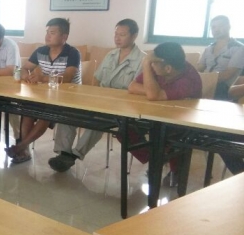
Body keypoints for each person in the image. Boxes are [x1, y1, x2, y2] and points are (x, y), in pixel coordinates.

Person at [49, 19, 145, 172]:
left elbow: (136, 91)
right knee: (68, 111)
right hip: (100, 100)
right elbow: (98, 80)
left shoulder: (142, 60)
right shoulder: (111, 55)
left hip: (121, 106)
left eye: (122, 35)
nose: (117, 38)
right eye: (116, 34)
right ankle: (64, 152)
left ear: (134, 36)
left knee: (99, 120)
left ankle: (74, 155)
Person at [127, 42, 202, 186]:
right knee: (124, 127)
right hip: (156, 114)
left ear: (168, 69)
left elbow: (153, 95)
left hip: (182, 121)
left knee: (167, 133)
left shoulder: (188, 79)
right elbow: (132, 86)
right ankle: (156, 158)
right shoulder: (160, 66)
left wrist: (146, 66)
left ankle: (175, 169)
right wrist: (152, 90)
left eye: (153, 64)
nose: (151, 66)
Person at [7, 18, 82, 164]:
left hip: (69, 98)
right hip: (47, 95)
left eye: (52, 33)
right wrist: (26, 76)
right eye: (47, 32)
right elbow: (24, 68)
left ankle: (21, 146)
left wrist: (42, 78)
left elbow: (67, 78)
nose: (47, 36)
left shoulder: (73, 53)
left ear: (64, 37)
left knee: (46, 114)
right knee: (27, 109)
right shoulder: (41, 51)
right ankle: (24, 150)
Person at [197, 15, 244, 100]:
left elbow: (227, 75)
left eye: (220, 26)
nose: (216, 30)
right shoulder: (209, 48)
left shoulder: (239, 48)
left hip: (223, 87)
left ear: (229, 27)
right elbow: (199, 68)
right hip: (204, 83)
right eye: (213, 27)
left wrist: (205, 80)